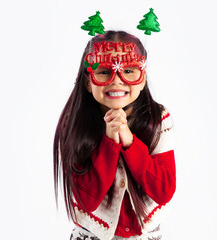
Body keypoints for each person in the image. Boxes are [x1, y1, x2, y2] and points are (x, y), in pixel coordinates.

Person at [53, 30, 176, 240]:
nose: (117, 81)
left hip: (145, 235)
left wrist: (129, 142)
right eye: (103, 72)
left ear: (142, 77)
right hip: (92, 234)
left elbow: (164, 190)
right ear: (87, 81)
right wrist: (109, 141)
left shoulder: (159, 120)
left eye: (128, 71)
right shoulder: (74, 123)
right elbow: (87, 200)